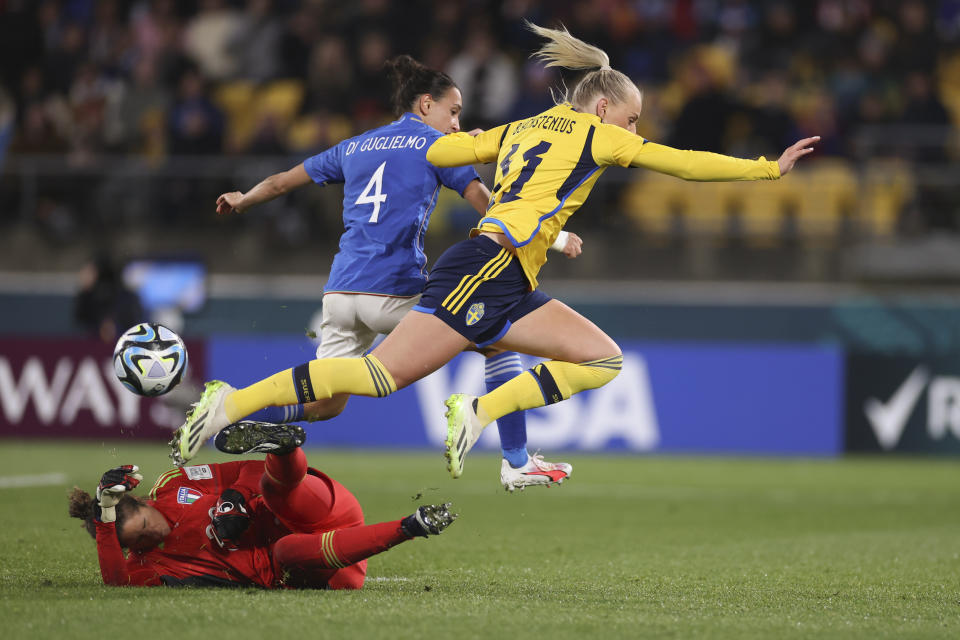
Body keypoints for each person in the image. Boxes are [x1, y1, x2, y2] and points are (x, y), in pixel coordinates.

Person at [170, 23, 818, 480]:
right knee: (377, 378)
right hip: (485, 266)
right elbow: (678, 163)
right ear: (600, 106)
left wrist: (478, 142)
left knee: (603, 359)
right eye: (631, 119)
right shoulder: (599, 136)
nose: (634, 132)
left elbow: (441, 151)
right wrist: (765, 169)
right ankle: (230, 402)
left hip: (507, 275)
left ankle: (482, 415)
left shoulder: (524, 126)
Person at [207, 54, 581, 491]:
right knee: (498, 341)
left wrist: (242, 199)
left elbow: (281, 182)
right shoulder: (437, 147)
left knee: (327, 404)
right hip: (393, 291)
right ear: (426, 105)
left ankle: (232, 415)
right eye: (453, 111)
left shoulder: (353, 145)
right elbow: (487, 203)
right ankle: (516, 462)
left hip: (340, 294)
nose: (458, 124)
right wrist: (552, 238)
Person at [68, 422, 456, 589]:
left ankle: (284, 447)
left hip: (317, 508)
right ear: (133, 549)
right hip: (325, 568)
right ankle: (411, 526)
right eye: (146, 540)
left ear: (144, 500)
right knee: (285, 550)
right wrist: (104, 518)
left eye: (149, 523)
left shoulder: (173, 484)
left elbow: (247, 469)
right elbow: (114, 582)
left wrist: (234, 498)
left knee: (273, 490)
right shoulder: (147, 566)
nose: (157, 534)